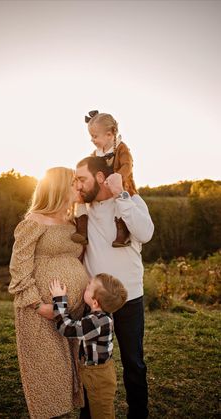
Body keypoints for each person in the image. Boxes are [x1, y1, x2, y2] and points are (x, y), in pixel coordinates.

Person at [74, 156, 154, 419]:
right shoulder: (81, 210)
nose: (78, 185)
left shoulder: (130, 201)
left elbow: (145, 234)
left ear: (99, 178)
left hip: (130, 298)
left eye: (82, 179)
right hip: (94, 301)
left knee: (134, 362)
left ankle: (138, 414)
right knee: (90, 363)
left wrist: (121, 194)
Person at [8, 167, 89, 419]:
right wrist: (38, 305)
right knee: (47, 371)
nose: (79, 187)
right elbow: (19, 268)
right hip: (41, 312)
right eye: (74, 183)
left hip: (71, 311)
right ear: (58, 187)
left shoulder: (71, 220)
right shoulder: (34, 221)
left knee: (69, 370)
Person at [49, 273, 128, 419]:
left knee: (102, 414)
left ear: (95, 302)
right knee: (97, 410)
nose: (86, 286)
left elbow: (65, 328)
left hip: (98, 376)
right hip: (97, 373)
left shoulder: (96, 322)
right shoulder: (102, 315)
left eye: (88, 287)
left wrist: (59, 299)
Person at [71, 110, 137, 247]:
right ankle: (82, 229)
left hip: (120, 184)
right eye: (91, 137)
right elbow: (89, 165)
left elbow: (127, 164)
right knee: (81, 197)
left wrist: (118, 176)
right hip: (102, 188)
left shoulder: (121, 148)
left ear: (109, 135)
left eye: (95, 136)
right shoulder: (96, 153)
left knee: (120, 199)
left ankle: (122, 233)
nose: (92, 140)